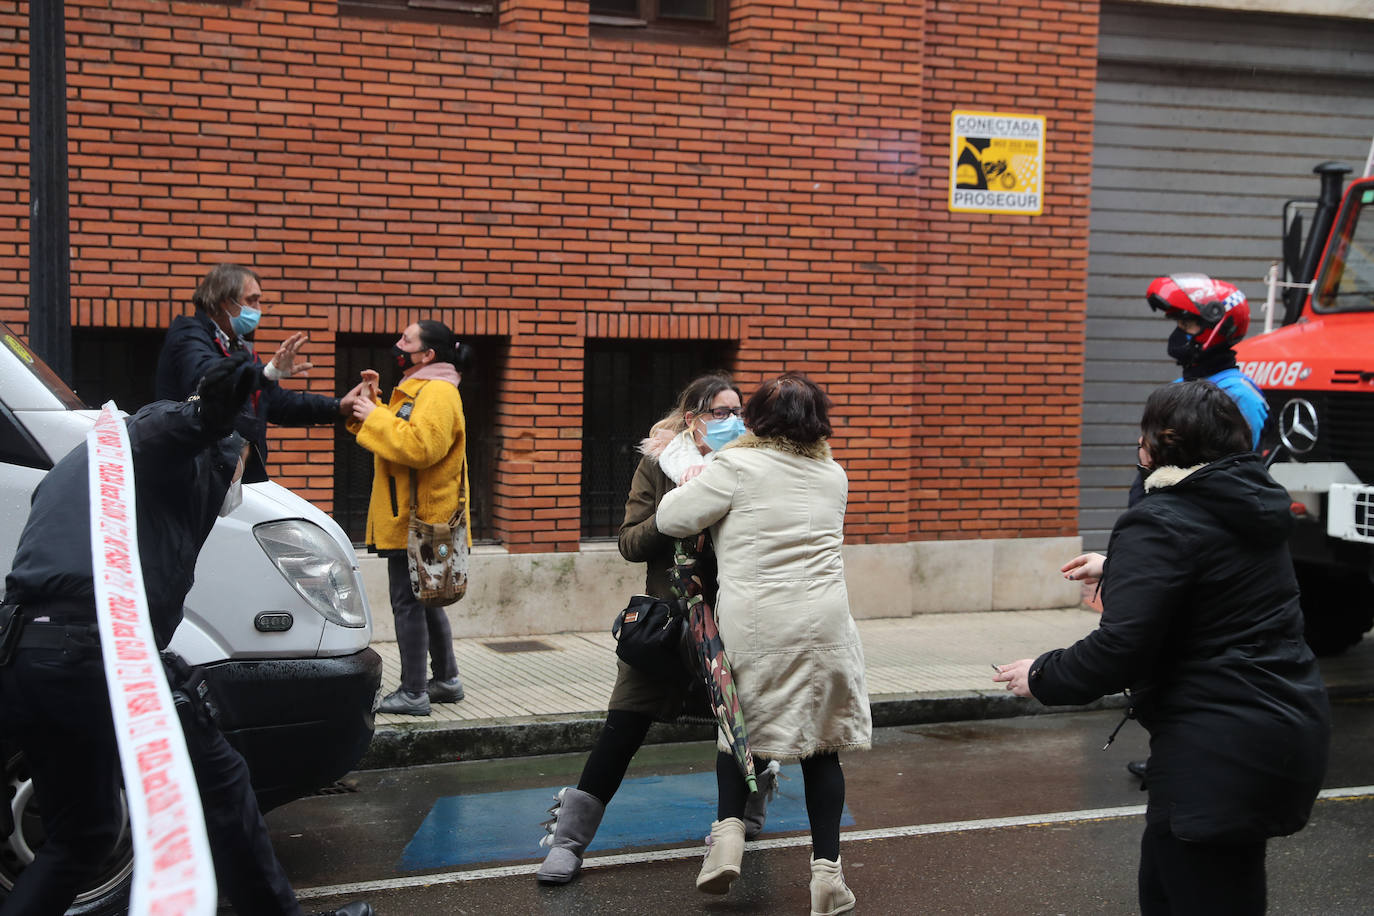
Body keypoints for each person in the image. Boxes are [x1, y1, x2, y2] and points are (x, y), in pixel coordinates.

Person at [0, 356, 372, 916]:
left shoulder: (99, 467)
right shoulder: (152, 445)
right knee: (221, 785)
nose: (237, 487)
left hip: (32, 655)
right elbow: (184, 425)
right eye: (242, 469)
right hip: (96, 658)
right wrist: (228, 402)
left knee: (84, 833)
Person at [995, 380, 1330, 916]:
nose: (1137, 450)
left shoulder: (1161, 520)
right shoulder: (1249, 503)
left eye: (1143, 440)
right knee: (1187, 884)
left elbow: (1122, 647)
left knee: (1192, 895)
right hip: (1277, 729)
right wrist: (1120, 565)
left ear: (1163, 447)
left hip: (1217, 749)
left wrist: (1041, 675)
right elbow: (1212, 569)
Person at [536, 371, 785, 884]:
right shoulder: (659, 465)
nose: (732, 421)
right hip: (666, 623)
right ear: (692, 418)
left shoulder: (750, 465)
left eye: (737, 412)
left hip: (733, 619)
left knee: (742, 722)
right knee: (622, 726)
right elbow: (630, 543)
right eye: (720, 412)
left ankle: (742, 821)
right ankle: (568, 843)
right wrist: (678, 511)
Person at [656, 373, 871, 916]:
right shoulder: (833, 474)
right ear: (817, 422)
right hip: (825, 623)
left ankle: (726, 842)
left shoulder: (735, 468)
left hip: (756, 622)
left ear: (755, 420)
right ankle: (827, 878)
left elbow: (671, 518)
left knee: (739, 729)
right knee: (822, 748)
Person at [345, 320, 469, 716]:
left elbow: (421, 447)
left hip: (420, 519)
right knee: (426, 598)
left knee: (409, 602)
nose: (398, 345)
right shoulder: (422, 389)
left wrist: (375, 416)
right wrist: (372, 406)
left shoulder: (438, 392)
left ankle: (414, 691)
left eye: (406, 340)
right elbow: (401, 434)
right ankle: (446, 680)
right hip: (416, 515)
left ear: (428, 354)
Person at [155, 262, 358, 482]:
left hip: (234, 478)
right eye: (252, 300)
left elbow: (279, 403)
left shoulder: (240, 349)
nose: (258, 309)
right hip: (190, 478)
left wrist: (338, 407)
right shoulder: (188, 334)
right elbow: (210, 376)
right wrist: (267, 372)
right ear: (225, 301)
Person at [1147, 273, 1267, 450]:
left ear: (1217, 327)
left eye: (1186, 325)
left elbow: (1241, 468)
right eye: (1179, 324)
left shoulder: (1239, 396)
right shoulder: (1176, 389)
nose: (1178, 334)